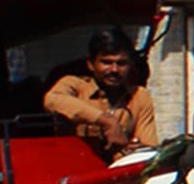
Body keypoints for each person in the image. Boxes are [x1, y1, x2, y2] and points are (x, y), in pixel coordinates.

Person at [43, 28, 158, 161]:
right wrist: (107, 121)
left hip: (120, 173)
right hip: (76, 170)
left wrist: (133, 148)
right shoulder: (75, 85)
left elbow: (149, 147)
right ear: (91, 64)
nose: (114, 70)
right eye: (106, 62)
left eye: (121, 63)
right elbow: (52, 99)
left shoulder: (139, 95)